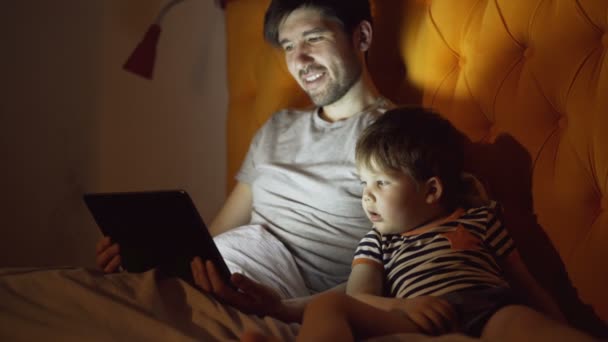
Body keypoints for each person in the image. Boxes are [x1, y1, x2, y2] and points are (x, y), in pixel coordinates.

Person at [97, 0, 394, 321]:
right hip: (228, 275)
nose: (299, 60)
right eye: (288, 46)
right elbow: (215, 237)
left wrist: (285, 310)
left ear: (361, 36)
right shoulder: (277, 127)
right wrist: (149, 259)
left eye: (313, 39)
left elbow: (398, 267)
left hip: (284, 299)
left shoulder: (400, 134)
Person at [241, 107, 597, 342]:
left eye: (381, 182)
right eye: (364, 184)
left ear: (431, 190)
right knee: (327, 307)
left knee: (525, 322)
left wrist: (559, 321)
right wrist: (404, 307)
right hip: (417, 321)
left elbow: (528, 286)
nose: (367, 196)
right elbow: (358, 297)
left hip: (491, 311)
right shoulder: (377, 242)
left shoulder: (480, 219)